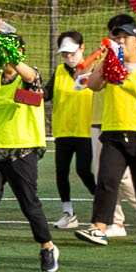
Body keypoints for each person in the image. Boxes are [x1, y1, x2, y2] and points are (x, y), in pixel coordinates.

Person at [0, 32, 58, 272]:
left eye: (8, 51)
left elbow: (32, 81)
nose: (4, 56)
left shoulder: (28, 77)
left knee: (29, 204)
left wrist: (9, 50)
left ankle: (47, 246)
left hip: (21, 151)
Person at [80, 14, 136, 246]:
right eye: (117, 37)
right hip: (113, 132)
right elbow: (92, 85)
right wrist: (105, 62)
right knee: (107, 180)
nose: (121, 41)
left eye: (126, 37)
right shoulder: (112, 64)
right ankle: (99, 227)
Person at [48, 33, 96, 229]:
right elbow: (45, 94)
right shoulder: (59, 72)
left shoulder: (94, 70)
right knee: (61, 171)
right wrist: (25, 94)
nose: (68, 57)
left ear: (82, 48)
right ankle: (68, 213)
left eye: (72, 52)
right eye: (65, 54)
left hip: (86, 131)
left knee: (84, 171)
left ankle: (104, 206)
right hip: (63, 131)